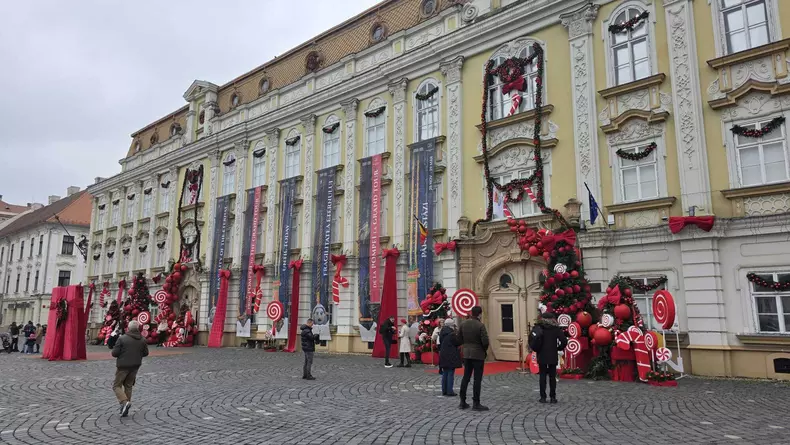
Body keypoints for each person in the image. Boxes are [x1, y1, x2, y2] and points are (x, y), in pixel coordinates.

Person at [111, 320, 149, 417]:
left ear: (128, 328)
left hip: (123, 366)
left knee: (116, 385)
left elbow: (114, 353)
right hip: (135, 366)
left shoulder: (122, 339)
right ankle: (125, 407)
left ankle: (124, 402)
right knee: (128, 386)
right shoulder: (143, 339)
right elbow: (146, 353)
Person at [529, 312, 567, 404]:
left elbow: (531, 339)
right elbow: (564, 341)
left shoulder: (538, 327)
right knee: (552, 377)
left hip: (541, 354)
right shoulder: (556, 329)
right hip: (552, 355)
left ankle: (543, 397)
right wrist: (559, 348)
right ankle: (553, 397)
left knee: (542, 376)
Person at [457, 306, 489, 411]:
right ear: (479, 314)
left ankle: (462, 401)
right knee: (477, 379)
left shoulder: (463, 324)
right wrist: (484, 349)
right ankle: (476, 402)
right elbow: (485, 341)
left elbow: (459, 338)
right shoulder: (480, 325)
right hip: (478, 354)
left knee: (466, 377)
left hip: (466, 353)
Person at [438, 318, 462, 396]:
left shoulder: (442, 332)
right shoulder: (452, 334)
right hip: (451, 354)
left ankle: (444, 390)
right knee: (450, 373)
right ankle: (449, 391)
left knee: (445, 372)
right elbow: (458, 342)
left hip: (443, 354)